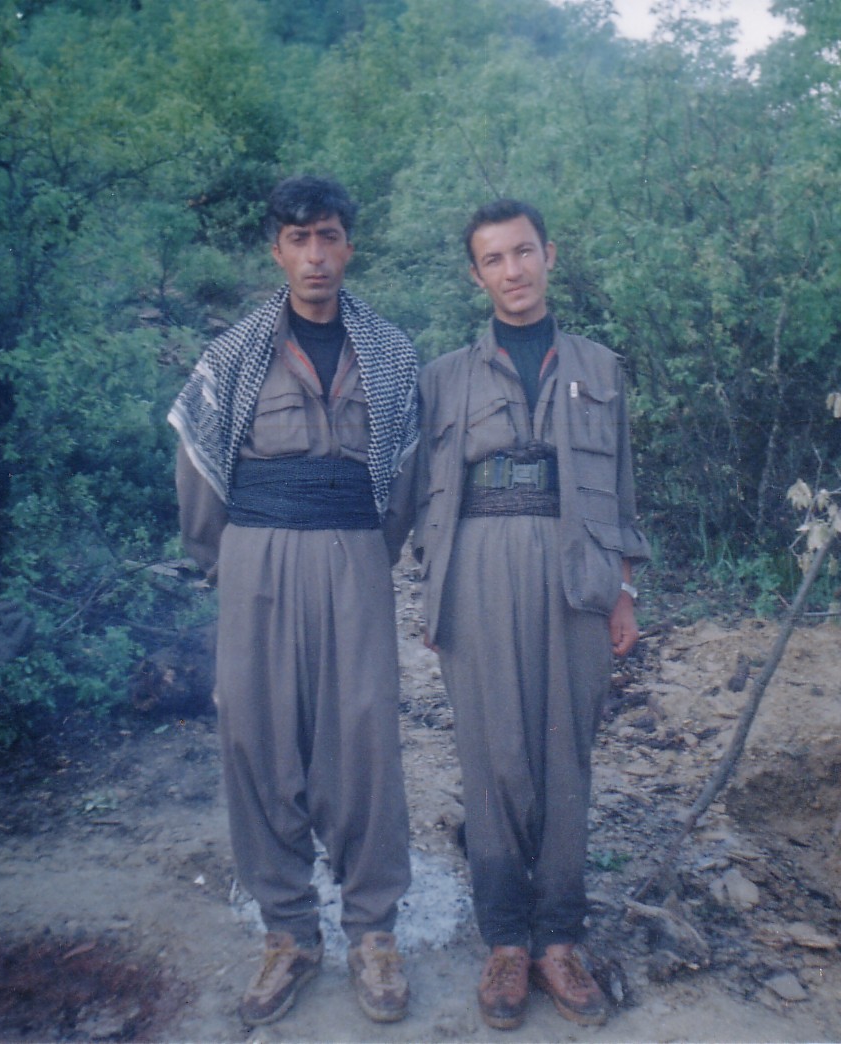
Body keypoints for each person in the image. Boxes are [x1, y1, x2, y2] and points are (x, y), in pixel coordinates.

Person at [167, 175, 419, 1028]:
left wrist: (365, 555)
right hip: (256, 561)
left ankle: (373, 932)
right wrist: (232, 565)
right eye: (299, 239)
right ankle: (288, 934)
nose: (316, 255)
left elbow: (404, 483)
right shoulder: (233, 352)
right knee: (256, 734)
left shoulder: (391, 352)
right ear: (276, 249)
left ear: (350, 245)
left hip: (354, 554)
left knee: (364, 736)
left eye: (330, 236)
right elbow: (199, 476)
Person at [412, 198, 649, 1030]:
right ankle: (507, 941)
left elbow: (620, 486)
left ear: (549, 254)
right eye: (494, 259)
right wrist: (432, 594)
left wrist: (625, 590)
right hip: (478, 566)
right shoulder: (442, 377)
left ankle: (558, 941)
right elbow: (422, 495)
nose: (512, 271)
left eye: (523, 252)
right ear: (475, 275)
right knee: (494, 758)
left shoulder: (601, 367)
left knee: (565, 757)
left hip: (576, 567)